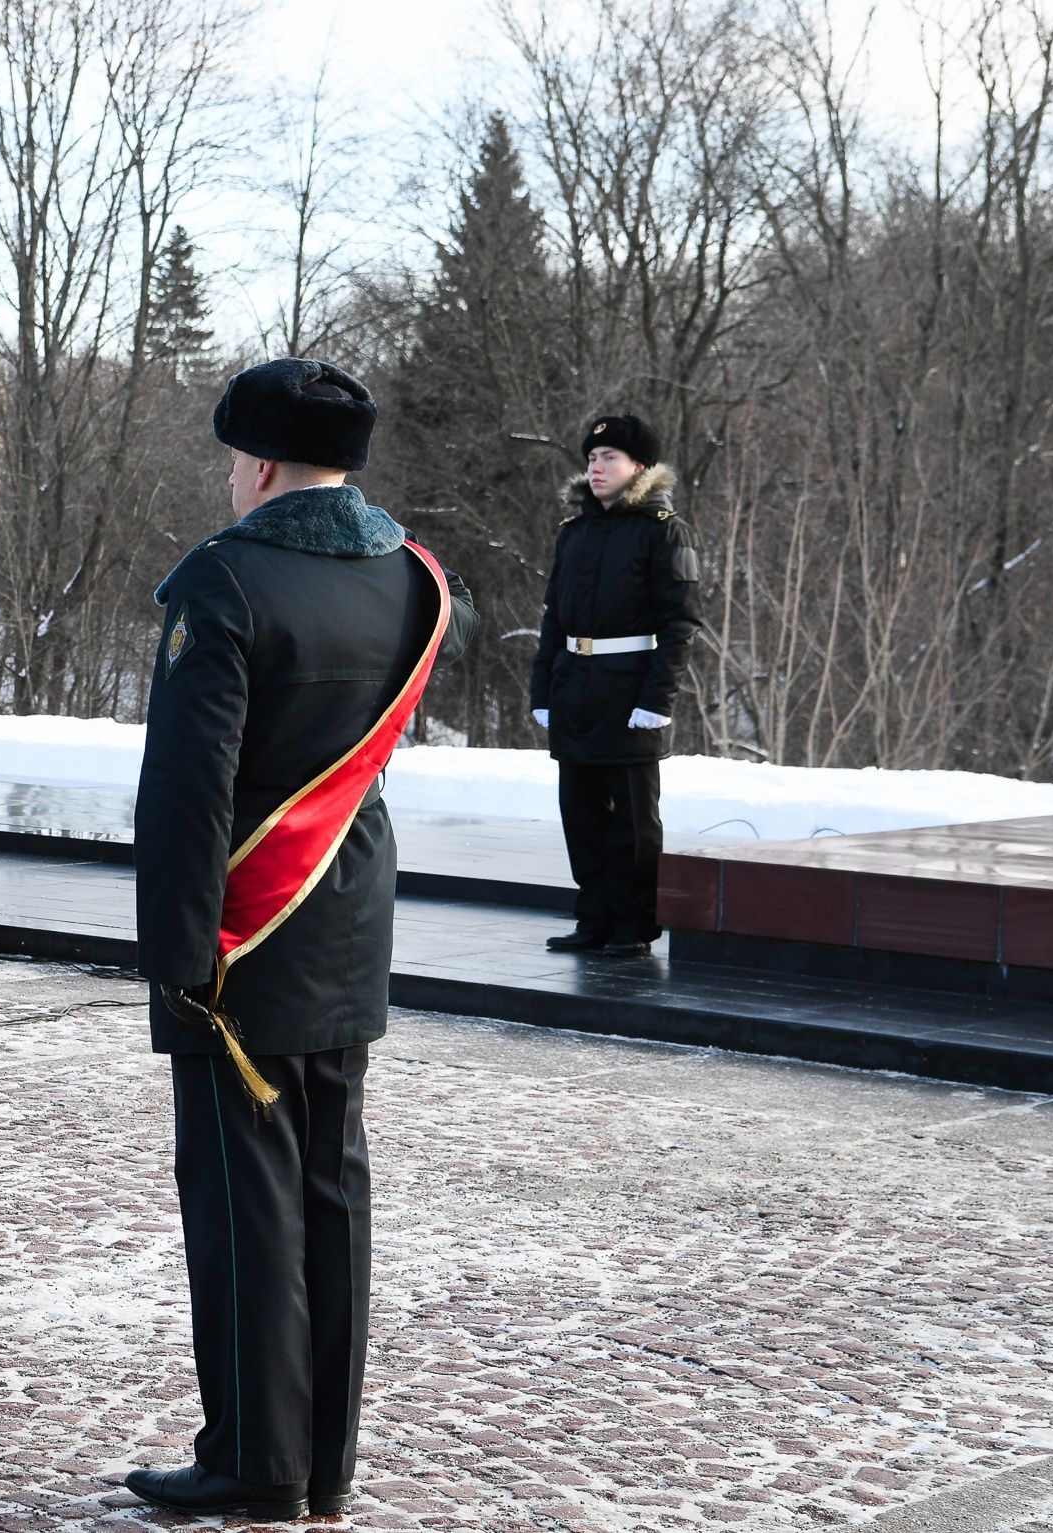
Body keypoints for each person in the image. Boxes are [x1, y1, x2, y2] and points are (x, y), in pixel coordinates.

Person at [130, 359, 476, 1521]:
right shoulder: (413, 576)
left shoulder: (224, 583)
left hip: (243, 937)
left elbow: (188, 793)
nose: (231, 477)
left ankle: (252, 1461)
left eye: (234, 458)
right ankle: (321, 1461)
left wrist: (177, 956)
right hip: (345, 919)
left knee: (241, 1208)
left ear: (262, 464)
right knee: (331, 1193)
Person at [529, 414, 699, 956]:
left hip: (630, 692)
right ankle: (594, 918)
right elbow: (554, 619)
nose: (597, 468)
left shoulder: (663, 530)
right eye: (592, 459)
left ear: (639, 468)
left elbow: (681, 624)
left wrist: (658, 700)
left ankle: (633, 925)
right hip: (575, 686)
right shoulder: (573, 533)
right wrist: (542, 692)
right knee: (579, 814)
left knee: (631, 820)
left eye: (610, 459)